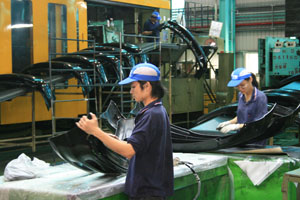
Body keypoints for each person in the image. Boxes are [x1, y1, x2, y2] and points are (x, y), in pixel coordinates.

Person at [76, 63, 174, 200]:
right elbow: (142, 147)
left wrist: (96, 131)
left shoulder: (152, 114)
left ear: (146, 86)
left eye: (133, 87)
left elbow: (128, 151)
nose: (131, 91)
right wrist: (113, 140)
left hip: (147, 192)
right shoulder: (157, 110)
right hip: (150, 189)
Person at [216, 68, 268, 145]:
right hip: (241, 138)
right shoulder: (240, 95)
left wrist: (236, 126)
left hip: (255, 140)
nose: (240, 89)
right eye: (237, 86)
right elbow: (242, 115)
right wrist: (229, 122)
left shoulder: (260, 97)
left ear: (250, 79)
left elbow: (258, 123)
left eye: (243, 85)